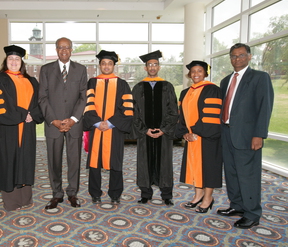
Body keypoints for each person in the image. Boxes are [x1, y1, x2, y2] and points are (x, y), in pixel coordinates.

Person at [217, 43, 274, 229]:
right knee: (232, 173)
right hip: (227, 133)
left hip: (248, 136)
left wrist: (259, 134)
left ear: (249, 57)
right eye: (233, 56)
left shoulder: (259, 78)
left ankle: (252, 213)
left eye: (241, 55)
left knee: (248, 175)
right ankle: (237, 205)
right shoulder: (226, 80)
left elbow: (264, 108)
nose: (237, 59)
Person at [0, 45, 44, 211]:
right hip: (7, 129)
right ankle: (11, 202)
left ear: (22, 62)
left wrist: (32, 114)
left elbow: (39, 103)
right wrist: (22, 114)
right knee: (8, 162)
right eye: (10, 59)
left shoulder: (31, 81)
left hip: (27, 128)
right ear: (6, 61)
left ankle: (25, 199)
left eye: (17, 59)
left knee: (25, 161)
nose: (13, 62)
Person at [38, 37, 87, 209]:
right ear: (56, 49)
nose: (64, 50)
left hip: (74, 125)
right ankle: (56, 194)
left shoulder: (81, 70)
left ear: (71, 49)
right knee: (54, 161)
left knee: (74, 160)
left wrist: (73, 120)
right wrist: (54, 120)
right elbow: (42, 98)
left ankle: (72, 193)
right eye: (60, 47)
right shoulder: (45, 70)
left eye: (67, 47)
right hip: (53, 124)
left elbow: (83, 97)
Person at [83, 50, 134, 204]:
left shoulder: (122, 84)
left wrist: (110, 123)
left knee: (116, 161)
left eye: (109, 63)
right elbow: (87, 104)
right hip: (96, 128)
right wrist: (98, 122)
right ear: (99, 65)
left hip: (114, 129)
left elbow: (127, 107)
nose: (106, 66)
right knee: (94, 161)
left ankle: (115, 193)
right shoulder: (92, 82)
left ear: (114, 66)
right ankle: (95, 193)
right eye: (103, 63)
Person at [130, 51, 178, 206]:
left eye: (155, 64)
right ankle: (145, 193)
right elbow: (134, 112)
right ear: (145, 68)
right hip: (145, 134)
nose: (152, 67)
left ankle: (166, 195)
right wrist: (144, 130)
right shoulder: (138, 88)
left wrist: (164, 129)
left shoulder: (167, 86)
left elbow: (173, 110)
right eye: (149, 65)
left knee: (165, 162)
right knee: (144, 162)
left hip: (163, 134)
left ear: (159, 67)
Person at [175, 60, 223, 213]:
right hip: (192, 138)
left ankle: (208, 198)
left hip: (208, 137)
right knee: (195, 167)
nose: (196, 74)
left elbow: (212, 116)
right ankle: (198, 195)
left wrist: (196, 132)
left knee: (209, 168)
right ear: (189, 74)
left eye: (199, 71)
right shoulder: (185, 92)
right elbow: (181, 117)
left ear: (205, 73)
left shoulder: (213, 90)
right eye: (193, 71)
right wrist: (185, 133)